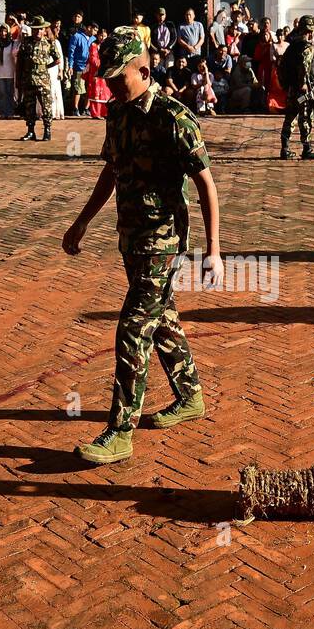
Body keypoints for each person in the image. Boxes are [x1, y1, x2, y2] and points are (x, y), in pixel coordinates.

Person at [62, 28, 222, 465]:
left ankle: (120, 430)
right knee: (161, 317)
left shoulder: (174, 117)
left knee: (134, 327)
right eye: (108, 79)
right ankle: (190, 397)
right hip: (131, 237)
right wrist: (81, 222)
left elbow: (205, 184)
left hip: (164, 240)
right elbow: (110, 172)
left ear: (144, 70)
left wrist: (214, 251)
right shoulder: (118, 114)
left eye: (119, 78)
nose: (112, 86)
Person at [278, 15, 314, 160]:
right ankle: (307, 148)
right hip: (302, 89)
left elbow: (282, 65)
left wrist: (285, 84)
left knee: (290, 117)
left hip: (291, 88)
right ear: (310, 31)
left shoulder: (292, 46)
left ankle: (285, 148)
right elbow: (304, 66)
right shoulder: (307, 47)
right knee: (306, 117)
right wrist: (304, 84)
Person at [15, 15, 57, 140]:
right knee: (29, 107)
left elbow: (58, 59)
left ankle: (47, 130)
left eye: (40, 29)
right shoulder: (26, 42)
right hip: (28, 80)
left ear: (44, 30)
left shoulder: (49, 43)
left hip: (43, 81)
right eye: (35, 29)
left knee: (46, 107)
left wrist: (45, 67)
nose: (37, 31)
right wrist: (18, 80)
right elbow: (20, 63)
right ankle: (31, 131)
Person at [66, 20, 95, 116]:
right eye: (94, 30)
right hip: (78, 66)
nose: (95, 32)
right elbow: (71, 52)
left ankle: (86, 109)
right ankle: (75, 108)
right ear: (89, 28)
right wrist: (70, 66)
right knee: (78, 87)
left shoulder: (94, 39)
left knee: (90, 88)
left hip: (90, 68)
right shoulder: (76, 37)